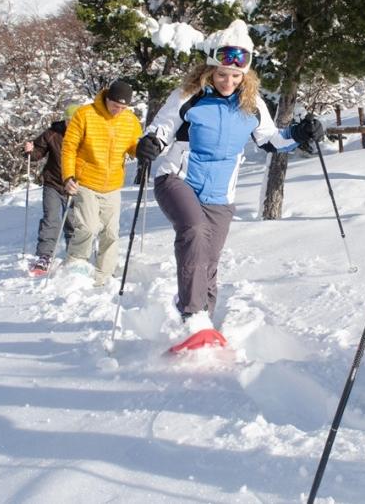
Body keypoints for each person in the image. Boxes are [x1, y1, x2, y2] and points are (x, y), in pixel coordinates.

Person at [135, 19, 325, 333]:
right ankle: (192, 316)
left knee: (208, 261)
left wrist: (302, 133)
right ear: (209, 70)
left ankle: (203, 325)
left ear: (245, 75)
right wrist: (150, 143)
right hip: (177, 181)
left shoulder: (252, 105)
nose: (228, 81)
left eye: (236, 75)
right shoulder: (189, 96)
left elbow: (272, 141)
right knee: (194, 231)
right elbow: (162, 129)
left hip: (220, 196)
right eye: (222, 74)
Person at [60, 79, 143, 286]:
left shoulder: (130, 120)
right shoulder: (85, 114)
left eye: (123, 107)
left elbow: (134, 147)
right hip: (85, 181)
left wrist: (143, 150)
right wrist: (68, 176)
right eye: (116, 106)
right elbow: (69, 148)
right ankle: (76, 264)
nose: (118, 111)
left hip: (113, 184)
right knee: (88, 227)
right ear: (107, 99)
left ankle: (103, 274)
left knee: (111, 232)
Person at [24, 102, 79, 275]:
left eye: (75, 120)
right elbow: (38, 152)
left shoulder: (87, 135)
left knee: (73, 222)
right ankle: (44, 256)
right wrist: (30, 151)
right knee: (51, 219)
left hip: (77, 185)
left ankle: (74, 255)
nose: (72, 123)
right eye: (69, 120)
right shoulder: (52, 134)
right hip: (53, 184)